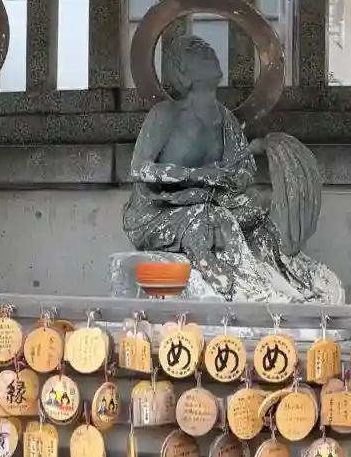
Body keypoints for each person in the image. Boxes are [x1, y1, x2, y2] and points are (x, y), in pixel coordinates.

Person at [124, 33, 339, 302]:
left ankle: (284, 278)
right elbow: (139, 169)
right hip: (157, 212)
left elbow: (245, 170)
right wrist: (196, 175)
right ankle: (237, 285)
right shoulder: (165, 115)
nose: (209, 50)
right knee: (212, 220)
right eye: (197, 49)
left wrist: (230, 177)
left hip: (210, 203)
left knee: (258, 211)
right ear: (181, 69)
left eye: (207, 45)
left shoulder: (225, 119)